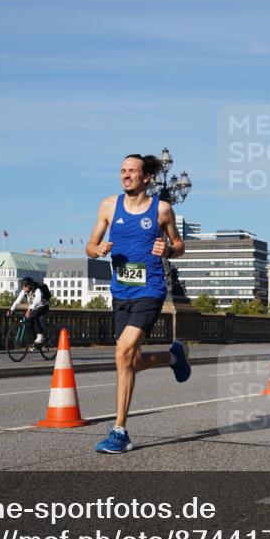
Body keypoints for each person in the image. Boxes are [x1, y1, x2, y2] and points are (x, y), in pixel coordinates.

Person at [85, 153, 191, 454]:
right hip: (121, 291)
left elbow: (180, 244)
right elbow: (90, 245)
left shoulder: (162, 209)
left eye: (132, 171)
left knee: (122, 352)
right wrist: (98, 249)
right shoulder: (109, 206)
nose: (126, 175)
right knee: (129, 359)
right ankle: (173, 356)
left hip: (150, 290)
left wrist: (168, 250)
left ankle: (119, 431)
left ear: (146, 178)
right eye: (122, 170)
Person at [6, 277, 50, 346]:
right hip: (34, 307)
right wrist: (11, 310)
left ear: (30, 285)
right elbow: (17, 301)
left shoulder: (37, 290)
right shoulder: (24, 291)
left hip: (43, 306)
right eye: (23, 286)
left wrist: (30, 310)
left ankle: (40, 336)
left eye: (26, 286)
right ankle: (34, 341)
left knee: (33, 316)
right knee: (27, 321)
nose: (24, 288)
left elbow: (37, 300)